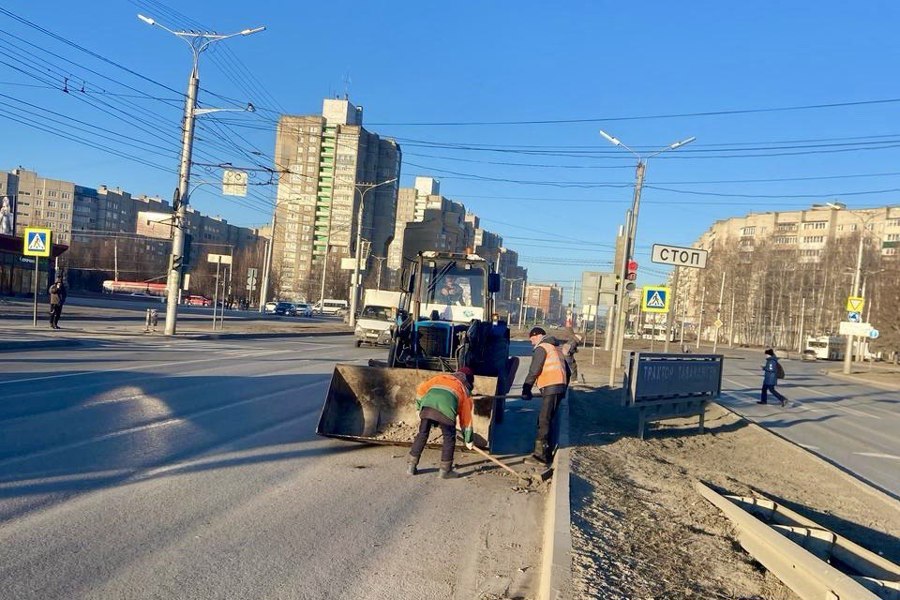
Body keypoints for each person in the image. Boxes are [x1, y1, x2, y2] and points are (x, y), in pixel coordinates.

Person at [407, 367, 476, 479]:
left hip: (427, 407)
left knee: (422, 434)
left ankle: (411, 467)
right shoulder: (463, 391)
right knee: (449, 438)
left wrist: (418, 407)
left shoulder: (440, 378)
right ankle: (445, 471)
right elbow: (466, 419)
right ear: (467, 381)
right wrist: (468, 440)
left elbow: (421, 390)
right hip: (446, 412)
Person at [522, 326, 569, 464]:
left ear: (538, 336)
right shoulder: (555, 348)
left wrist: (526, 388)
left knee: (543, 421)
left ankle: (541, 456)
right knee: (547, 419)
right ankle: (545, 452)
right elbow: (568, 371)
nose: (531, 343)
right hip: (557, 387)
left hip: (551, 386)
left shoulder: (542, 347)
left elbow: (534, 369)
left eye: (532, 339)